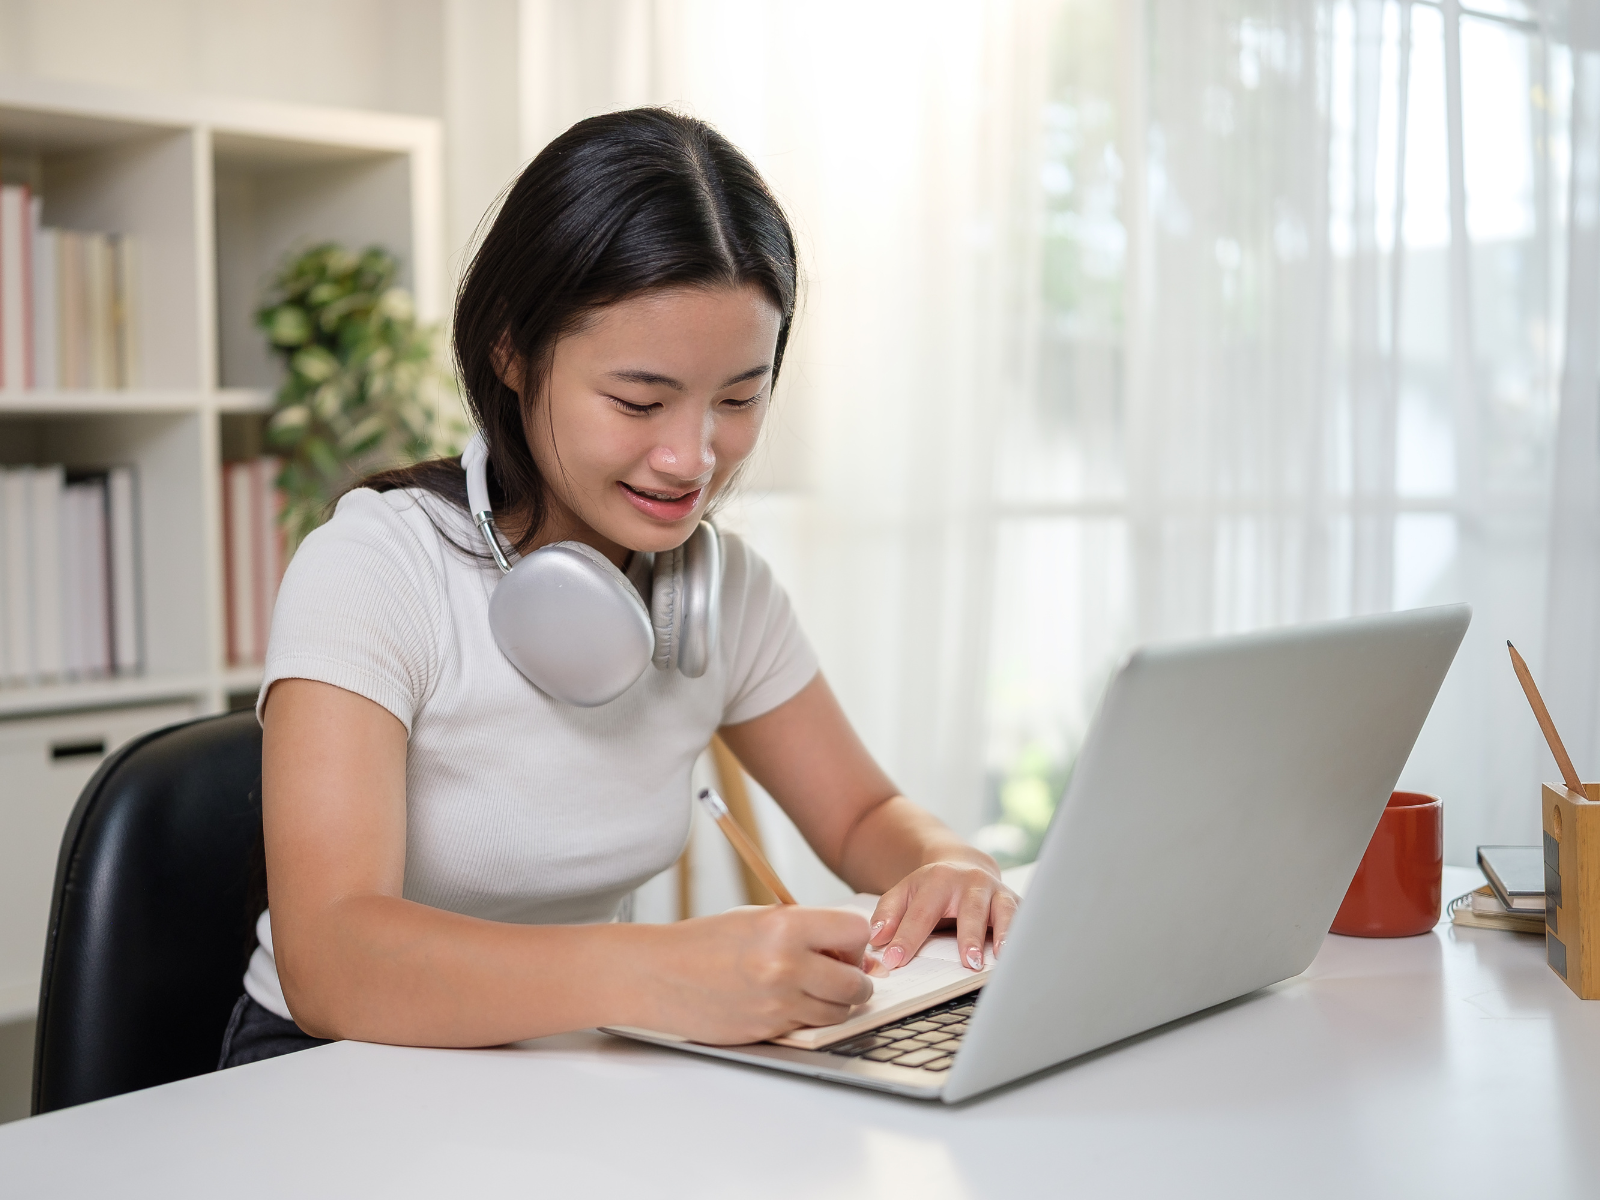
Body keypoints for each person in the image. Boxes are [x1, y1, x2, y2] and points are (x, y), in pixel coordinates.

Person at [219, 108, 1018, 1069]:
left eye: (738, 398)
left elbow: (859, 818)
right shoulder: (375, 568)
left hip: (574, 1065)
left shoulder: (719, 592)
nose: (693, 459)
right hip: (332, 1071)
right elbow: (333, 959)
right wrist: (657, 974)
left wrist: (951, 869)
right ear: (511, 352)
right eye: (639, 401)